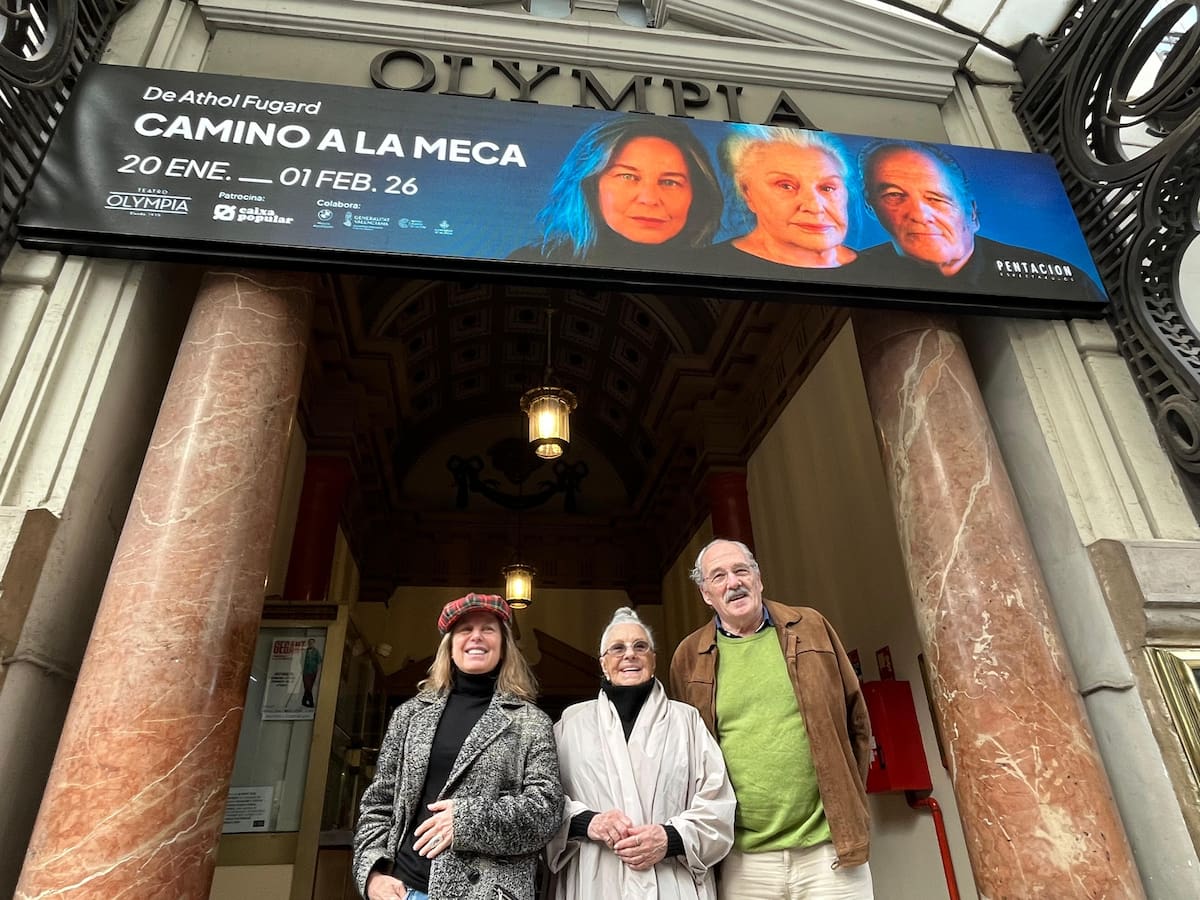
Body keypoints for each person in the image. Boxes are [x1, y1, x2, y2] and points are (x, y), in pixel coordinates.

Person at [669, 539, 873, 900]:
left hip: (828, 851)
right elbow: (686, 755)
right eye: (719, 576)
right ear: (706, 594)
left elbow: (857, 720)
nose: (733, 583)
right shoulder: (688, 656)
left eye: (741, 570)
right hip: (743, 860)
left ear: (758, 578)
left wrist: (848, 802)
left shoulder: (811, 627)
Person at [352, 593, 563, 900]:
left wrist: (466, 821)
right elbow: (379, 804)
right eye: (465, 629)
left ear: (504, 646)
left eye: (488, 629)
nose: (476, 636)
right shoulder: (409, 716)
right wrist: (372, 874)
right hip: (406, 889)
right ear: (450, 647)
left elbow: (546, 812)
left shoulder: (531, 722)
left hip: (490, 893)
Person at [547, 607, 735, 899]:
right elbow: (543, 800)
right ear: (603, 663)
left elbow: (717, 803)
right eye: (617, 648)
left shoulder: (686, 721)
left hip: (672, 881)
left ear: (653, 659)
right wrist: (587, 822)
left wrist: (670, 838)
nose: (629, 655)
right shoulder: (571, 724)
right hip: (595, 879)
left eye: (640, 646)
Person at [857, 139, 1106, 302]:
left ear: (973, 214)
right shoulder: (855, 272)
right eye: (894, 196)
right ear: (871, 207)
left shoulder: (1062, 283)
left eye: (936, 199)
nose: (920, 214)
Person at [509, 114, 722, 268]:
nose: (649, 199)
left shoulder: (716, 269)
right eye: (628, 176)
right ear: (591, 185)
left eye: (669, 182)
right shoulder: (532, 263)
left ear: (697, 195)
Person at [706, 126, 861, 277]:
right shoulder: (709, 266)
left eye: (827, 188)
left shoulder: (872, 271)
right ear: (747, 193)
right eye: (786, 186)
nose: (815, 207)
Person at [301, 638, 322, 708]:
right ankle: (311, 703)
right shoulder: (305, 651)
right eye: (309, 642)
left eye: (312, 642)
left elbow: (319, 662)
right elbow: (301, 660)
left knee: (309, 687)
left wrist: (318, 672)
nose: (311, 643)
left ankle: (304, 701)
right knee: (307, 687)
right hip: (305, 672)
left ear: (314, 643)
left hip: (313, 672)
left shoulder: (316, 652)